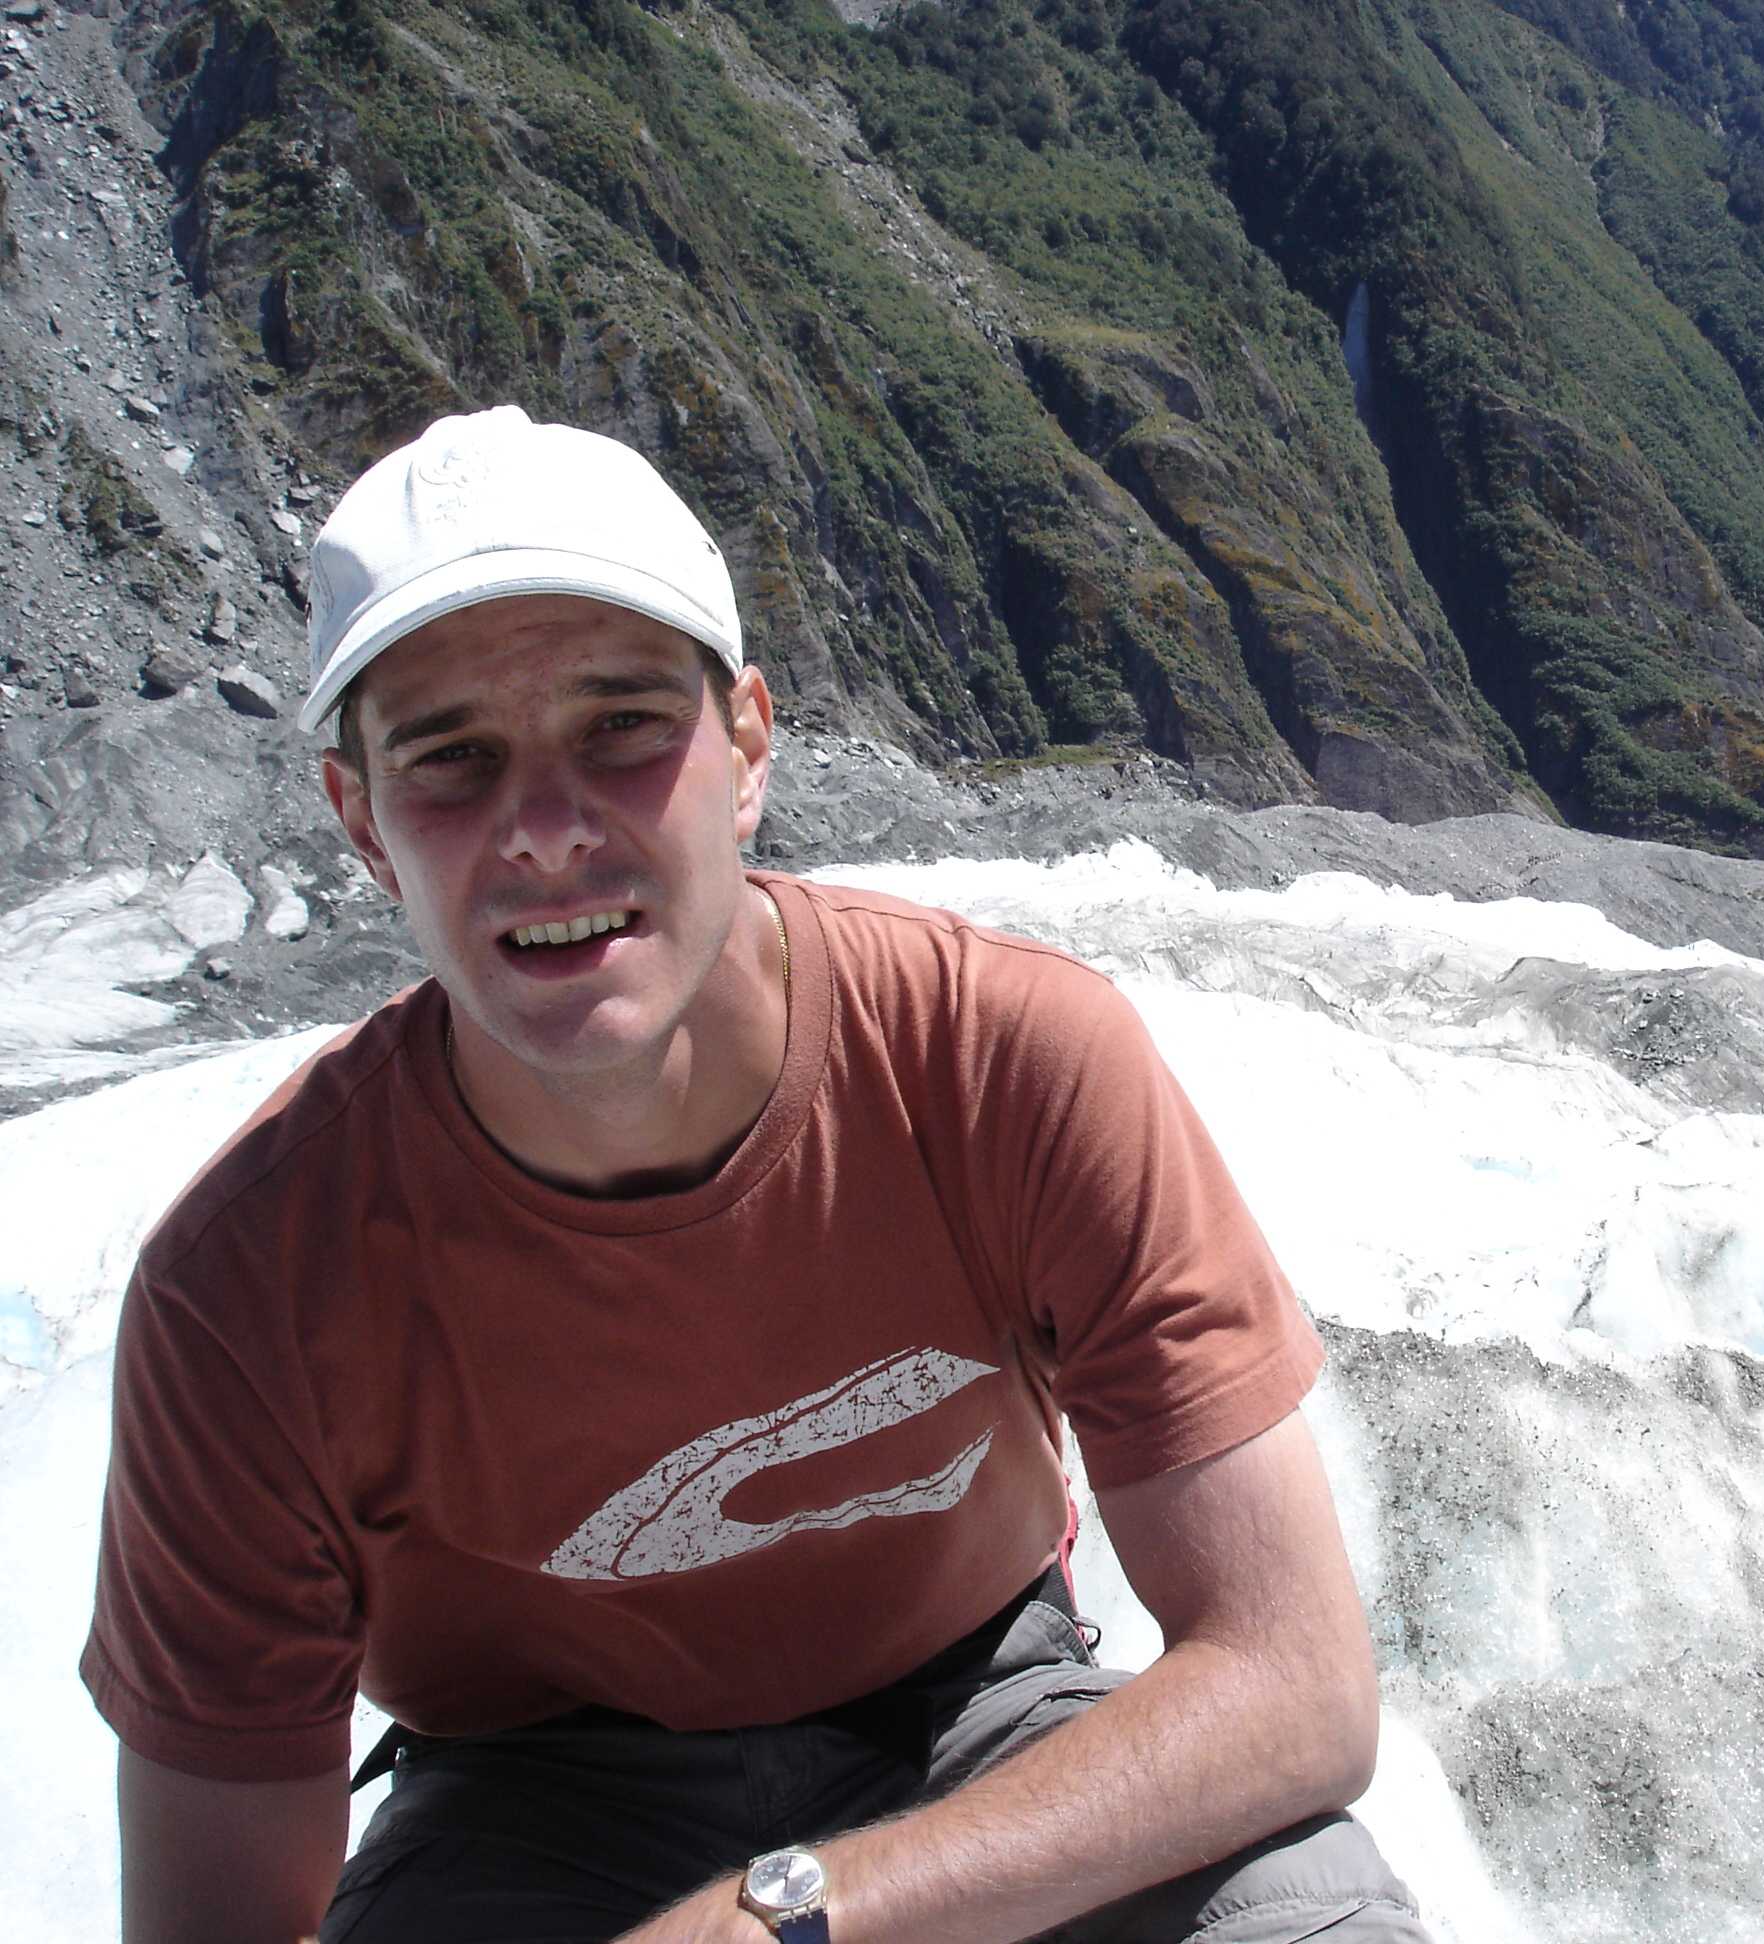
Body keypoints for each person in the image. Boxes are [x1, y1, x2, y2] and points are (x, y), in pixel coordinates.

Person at [82, 405, 1431, 1943]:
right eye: (451, 759)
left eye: (624, 726)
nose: (542, 829)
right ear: (363, 824)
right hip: (525, 1814)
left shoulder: (1001, 1061)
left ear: (747, 749)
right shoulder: (249, 1288)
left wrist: (786, 1920)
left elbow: (1295, 1683)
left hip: (980, 1717)